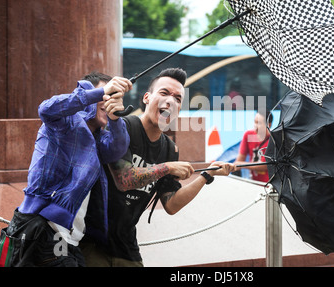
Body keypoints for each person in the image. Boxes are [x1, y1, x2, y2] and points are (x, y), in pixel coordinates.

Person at [81, 68, 236, 267]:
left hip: (127, 248)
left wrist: (206, 175)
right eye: (164, 93)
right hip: (93, 243)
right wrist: (167, 168)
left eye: (178, 99)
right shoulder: (123, 128)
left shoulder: (170, 149)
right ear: (147, 97)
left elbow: (171, 204)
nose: (170, 101)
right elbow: (124, 179)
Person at [0, 71, 132, 267]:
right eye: (107, 93)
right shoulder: (66, 120)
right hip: (46, 230)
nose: (110, 98)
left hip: (70, 239)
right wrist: (100, 92)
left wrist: (115, 119)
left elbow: (117, 149)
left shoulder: (98, 140)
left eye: (115, 95)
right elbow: (46, 108)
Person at [234, 111, 273, 183]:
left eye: (259, 123)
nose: (256, 126)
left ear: (269, 125)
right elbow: (238, 161)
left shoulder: (273, 139)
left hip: (268, 184)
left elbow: (265, 165)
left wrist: (241, 164)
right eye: (255, 122)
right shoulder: (249, 135)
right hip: (254, 183)